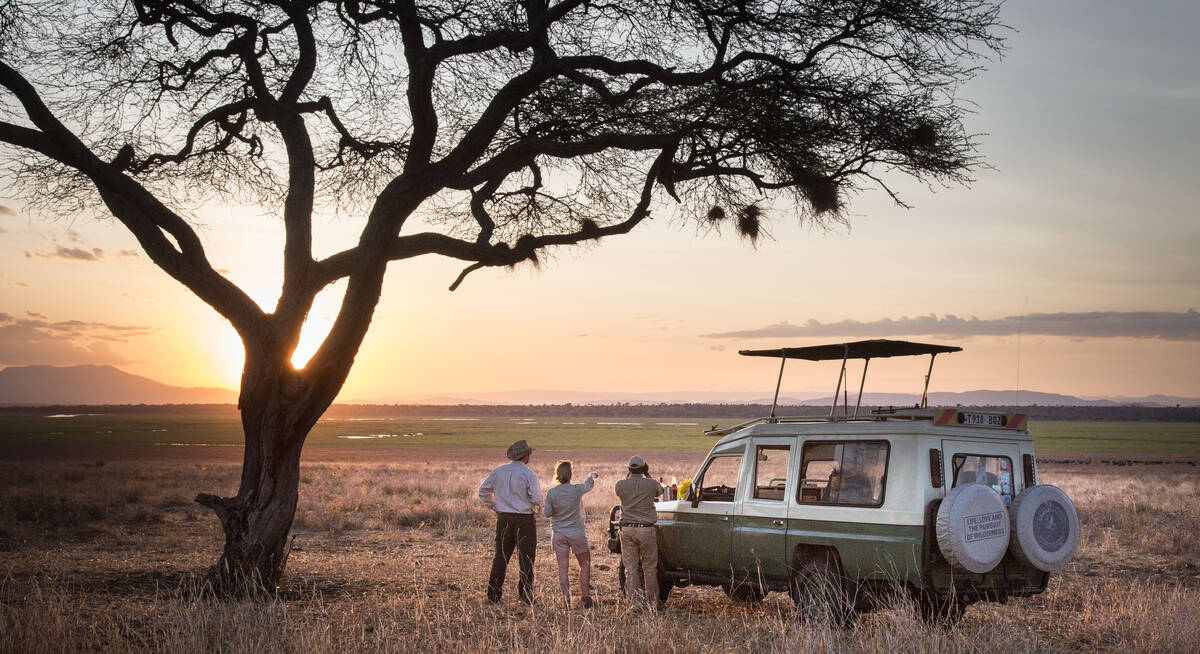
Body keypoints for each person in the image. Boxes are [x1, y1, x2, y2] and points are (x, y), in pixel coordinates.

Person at [478, 439, 542, 604]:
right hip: (524, 519)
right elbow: (537, 498)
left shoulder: (499, 471)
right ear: (526, 455)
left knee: (501, 557)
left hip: (504, 518)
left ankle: (493, 594)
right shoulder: (529, 474)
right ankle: (525, 595)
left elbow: (483, 490)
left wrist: (495, 507)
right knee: (526, 558)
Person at [543, 460, 598, 609]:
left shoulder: (552, 493)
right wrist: (591, 476)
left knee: (563, 568)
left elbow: (547, 513)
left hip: (559, 534)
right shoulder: (576, 489)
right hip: (577, 533)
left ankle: (567, 601)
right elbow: (588, 485)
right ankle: (585, 597)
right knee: (585, 564)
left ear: (557, 474)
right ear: (570, 474)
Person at [614, 454, 665, 609]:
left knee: (631, 568)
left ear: (629, 469)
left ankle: (635, 603)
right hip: (646, 529)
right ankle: (651, 603)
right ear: (643, 468)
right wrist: (647, 474)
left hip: (627, 529)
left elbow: (621, 490)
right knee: (649, 567)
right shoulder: (650, 484)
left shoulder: (620, 485)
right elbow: (660, 491)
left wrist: (630, 475)